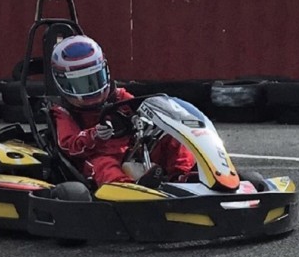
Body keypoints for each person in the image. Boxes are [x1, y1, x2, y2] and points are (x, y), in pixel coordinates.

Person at [48, 34, 195, 188]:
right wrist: (94, 135)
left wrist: (158, 119)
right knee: (104, 165)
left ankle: (181, 178)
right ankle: (128, 189)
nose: (91, 89)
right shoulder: (63, 112)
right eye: (81, 84)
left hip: (133, 152)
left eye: (95, 79)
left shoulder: (119, 96)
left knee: (172, 137)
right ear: (63, 83)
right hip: (97, 157)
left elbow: (144, 108)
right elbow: (69, 146)